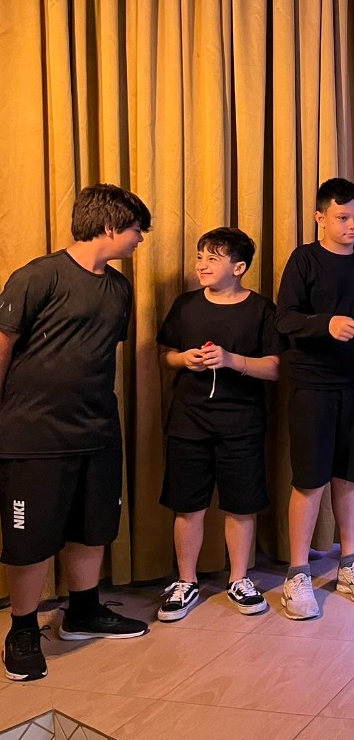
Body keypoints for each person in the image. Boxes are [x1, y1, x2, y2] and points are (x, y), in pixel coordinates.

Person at [0, 184, 152, 682]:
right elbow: (3, 344)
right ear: (109, 227)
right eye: (136, 230)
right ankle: (23, 629)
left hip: (99, 430)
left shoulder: (120, 288)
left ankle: (83, 612)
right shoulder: (38, 276)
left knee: (93, 527)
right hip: (34, 435)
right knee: (30, 539)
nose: (140, 239)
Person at [276, 178, 354, 620]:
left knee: (349, 476)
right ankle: (297, 573)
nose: (353, 225)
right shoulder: (304, 259)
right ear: (320, 217)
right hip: (313, 384)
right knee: (309, 480)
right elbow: (285, 318)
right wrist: (325, 324)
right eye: (343, 217)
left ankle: (349, 562)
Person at [155, 228, 281, 622]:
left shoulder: (261, 309)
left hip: (242, 422)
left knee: (241, 506)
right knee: (187, 505)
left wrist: (230, 360)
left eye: (213, 258)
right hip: (188, 420)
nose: (202, 264)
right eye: (200, 256)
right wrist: (184, 360)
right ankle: (186, 581)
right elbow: (166, 354)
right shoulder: (186, 304)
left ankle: (239, 578)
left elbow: (275, 368)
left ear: (238, 268)